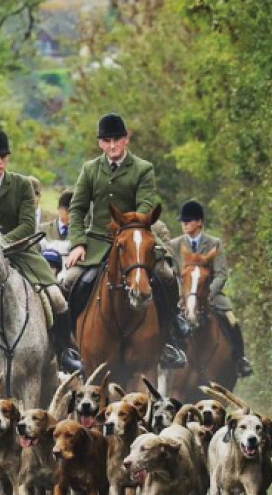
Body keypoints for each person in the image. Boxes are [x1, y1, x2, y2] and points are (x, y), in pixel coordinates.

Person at [62, 113, 189, 369]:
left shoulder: (143, 169)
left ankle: (172, 333)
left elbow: (145, 203)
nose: (112, 146)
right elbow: (77, 209)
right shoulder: (90, 169)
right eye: (106, 141)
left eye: (116, 140)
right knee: (69, 281)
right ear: (100, 143)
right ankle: (66, 345)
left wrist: (129, 226)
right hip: (97, 244)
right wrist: (78, 243)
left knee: (164, 274)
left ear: (126, 139)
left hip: (135, 238)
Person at [0, 127, 82, 373]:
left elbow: (27, 225)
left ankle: (64, 350)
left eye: (3, 157)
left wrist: (0, 243)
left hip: (21, 252)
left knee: (56, 298)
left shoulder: (22, 185)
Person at [169, 200, 253, 377]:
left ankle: (240, 359)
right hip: (183, 296)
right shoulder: (175, 244)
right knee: (167, 320)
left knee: (232, 320)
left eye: (189, 220)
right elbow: (173, 273)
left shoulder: (215, 243)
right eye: (183, 221)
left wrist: (208, 294)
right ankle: (168, 355)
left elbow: (221, 274)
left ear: (199, 222)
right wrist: (181, 296)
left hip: (211, 295)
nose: (184, 224)